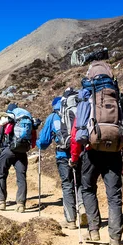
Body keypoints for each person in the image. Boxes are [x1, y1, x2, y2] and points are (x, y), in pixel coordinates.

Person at [70, 61, 123, 245]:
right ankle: (116, 240)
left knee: (87, 188)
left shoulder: (87, 96)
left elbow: (77, 132)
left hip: (92, 151)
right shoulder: (117, 97)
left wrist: (75, 155)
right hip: (114, 152)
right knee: (114, 196)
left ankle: (94, 230)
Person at [37, 96, 87, 229]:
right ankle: (83, 209)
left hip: (63, 155)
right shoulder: (78, 112)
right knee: (80, 182)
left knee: (67, 185)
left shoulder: (53, 117)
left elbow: (43, 142)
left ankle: (70, 220)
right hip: (79, 153)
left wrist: (38, 143)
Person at [0, 104, 37, 213]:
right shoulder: (26, 119)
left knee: (1, 175)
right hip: (22, 152)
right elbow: (33, 140)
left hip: (8, 150)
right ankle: (21, 204)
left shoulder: (7, 119)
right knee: (21, 178)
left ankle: (2, 202)